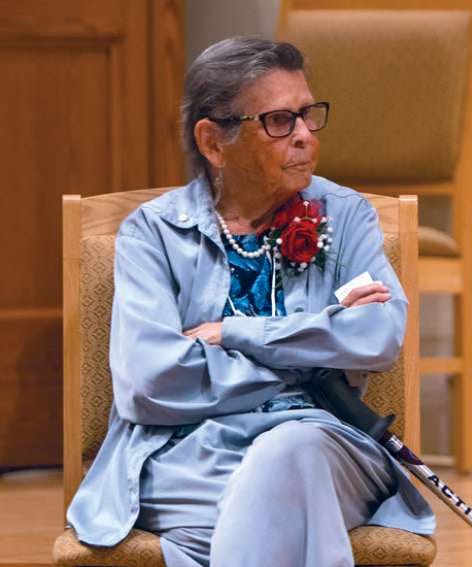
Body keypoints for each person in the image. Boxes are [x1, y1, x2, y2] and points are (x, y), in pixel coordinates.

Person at [65, 37, 435, 567]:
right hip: (191, 460)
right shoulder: (154, 233)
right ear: (214, 142)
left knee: (287, 457)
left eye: (308, 114)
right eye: (280, 121)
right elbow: (150, 381)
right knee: (276, 507)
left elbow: (378, 337)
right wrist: (315, 355)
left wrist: (236, 334)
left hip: (321, 446)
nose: (304, 135)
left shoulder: (344, 215)